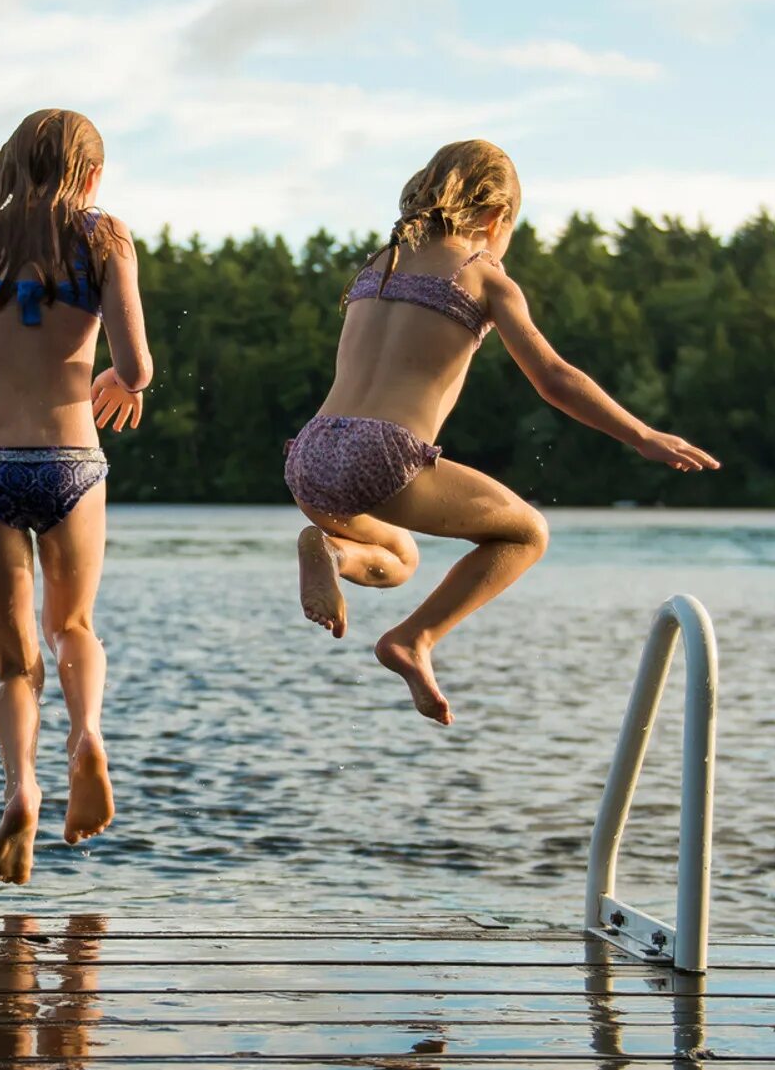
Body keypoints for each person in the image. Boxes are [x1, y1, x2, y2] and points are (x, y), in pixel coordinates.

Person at [287, 140, 720, 724]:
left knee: (401, 557)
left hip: (312, 449)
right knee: (526, 535)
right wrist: (641, 435)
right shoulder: (483, 274)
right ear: (495, 217)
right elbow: (554, 378)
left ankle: (334, 554)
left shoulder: (378, 264)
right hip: (381, 451)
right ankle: (413, 639)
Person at [0, 108, 153, 885]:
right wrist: (119, 381)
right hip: (69, 459)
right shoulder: (104, 237)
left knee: (14, 665)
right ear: (88, 173)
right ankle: (87, 735)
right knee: (73, 626)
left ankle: (21, 786)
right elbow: (138, 364)